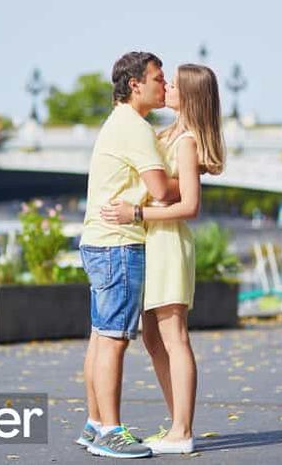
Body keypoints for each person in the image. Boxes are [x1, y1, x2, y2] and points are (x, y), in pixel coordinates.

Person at [101, 64, 225, 455]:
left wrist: (136, 214)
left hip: (169, 243)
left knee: (174, 338)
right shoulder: (165, 134)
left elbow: (190, 206)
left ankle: (183, 430)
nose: (166, 87)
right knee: (154, 338)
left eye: (173, 83)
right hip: (154, 242)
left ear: (188, 95)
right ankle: (176, 425)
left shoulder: (185, 141)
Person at [76, 51, 180, 459]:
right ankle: (110, 431)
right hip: (119, 241)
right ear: (135, 84)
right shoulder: (135, 127)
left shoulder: (118, 123)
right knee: (115, 339)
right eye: (157, 78)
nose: (163, 84)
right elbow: (163, 191)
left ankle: (95, 423)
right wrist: (192, 173)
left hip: (99, 240)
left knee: (101, 336)